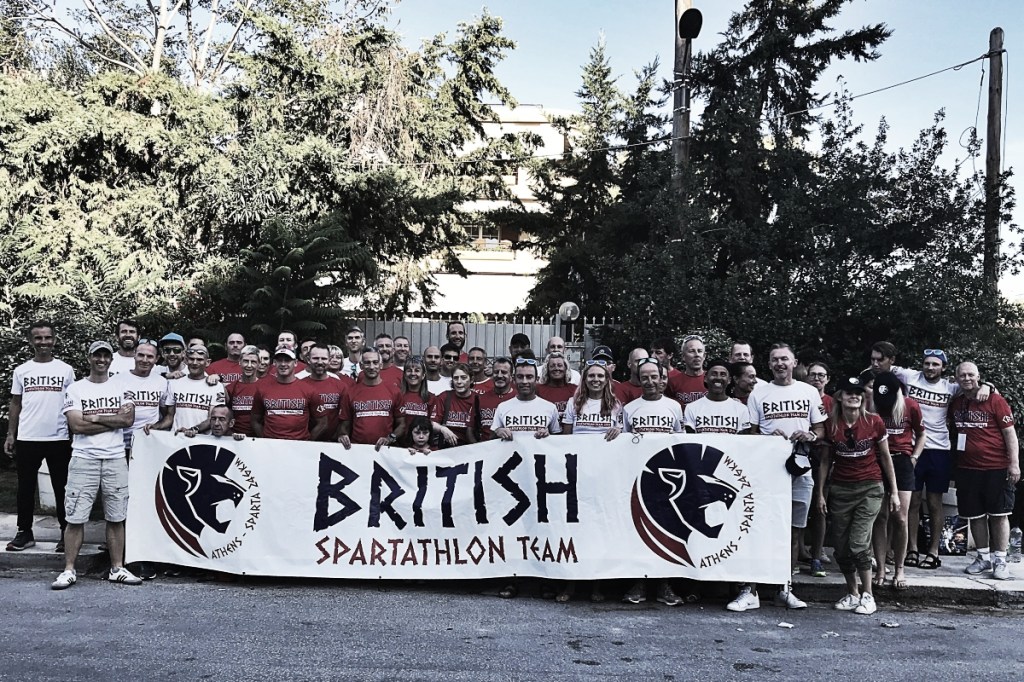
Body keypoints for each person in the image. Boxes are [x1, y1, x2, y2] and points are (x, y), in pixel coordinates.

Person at [733, 343, 825, 612]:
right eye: (775, 360)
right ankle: (750, 591)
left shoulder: (808, 391)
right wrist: (766, 438)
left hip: (800, 468)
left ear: (794, 362)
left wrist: (810, 435)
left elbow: (821, 429)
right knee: (757, 529)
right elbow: (750, 434)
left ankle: (785, 588)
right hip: (766, 472)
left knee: (794, 531)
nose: (780, 364)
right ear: (769, 364)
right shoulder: (759, 393)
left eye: (784, 359)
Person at [51, 340, 140, 589]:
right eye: (96, 356)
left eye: (105, 356)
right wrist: (113, 420)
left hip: (115, 457)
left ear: (111, 359)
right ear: (89, 358)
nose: (101, 360)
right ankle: (69, 570)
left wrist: (97, 417)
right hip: (84, 458)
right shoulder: (76, 389)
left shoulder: (122, 386)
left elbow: (128, 420)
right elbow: (76, 425)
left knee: (117, 516)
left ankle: (117, 568)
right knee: (75, 516)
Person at [893, 349, 986, 570]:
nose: (930, 367)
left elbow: (974, 386)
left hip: (939, 450)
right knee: (913, 501)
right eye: (927, 363)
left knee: (935, 503)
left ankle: (933, 551)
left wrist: (987, 386)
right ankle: (912, 549)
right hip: (913, 448)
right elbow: (880, 368)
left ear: (943, 368)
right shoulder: (909, 376)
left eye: (935, 364)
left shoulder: (950, 387)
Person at [817, 377, 900, 616]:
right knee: (841, 546)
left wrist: (894, 492)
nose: (854, 396)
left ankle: (868, 595)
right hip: (841, 489)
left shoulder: (874, 421)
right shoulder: (831, 424)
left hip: (870, 487)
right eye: (849, 392)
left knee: (858, 542)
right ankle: (852, 593)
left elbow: (886, 457)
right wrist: (820, 493)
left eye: (858, 392)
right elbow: (825, 461)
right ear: (840, 397)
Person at [490, 356, 561, 601]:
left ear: (537, 379)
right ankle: (511, 578)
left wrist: (548, 435)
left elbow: (559, 443)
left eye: (529, 377)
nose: (524, 381)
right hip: (512, 479)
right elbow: (491, 442)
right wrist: (499, 432)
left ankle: (544, 580)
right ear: (513, 379)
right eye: (520, 377)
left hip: (540, 478)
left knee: (540, 527)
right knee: (512, 528)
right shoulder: (504, 407)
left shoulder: (549, 408)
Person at [5, 320, 76, 552]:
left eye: (47, 337)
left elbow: (73, 403)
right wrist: (11, 434)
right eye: (38, 338)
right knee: (25, 487)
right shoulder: (22, 370)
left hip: (58, 438)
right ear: (31, 341)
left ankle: (66, 533)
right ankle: (24, 532)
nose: (43, 342)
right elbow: (16, 403)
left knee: (62, 487)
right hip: (28, 437)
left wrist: (74, 432)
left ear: (54, 340)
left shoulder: (65, 370)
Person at [948, 362, 1020, 581]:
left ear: (978, 376)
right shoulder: (957, 403)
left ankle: (1000, 561)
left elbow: (1009, 433)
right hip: (967, 468)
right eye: (962, 375)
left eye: (971, 374)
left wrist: (1014, 463)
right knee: (975, 515)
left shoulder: (995, 400)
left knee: (999, 515)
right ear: (956, 378)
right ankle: (983, 558)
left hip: (996, 467)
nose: (967, 378)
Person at [621, 358, 684, 607]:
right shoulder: (630, 409)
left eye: (653, 377)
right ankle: (639, 582)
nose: (649, 381)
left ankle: (663, 584)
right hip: (639, 478)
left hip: (668, 480)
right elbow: (624, 444)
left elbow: (680, 442)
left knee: (666, 533)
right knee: (639, 532)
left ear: (661, 378)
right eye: (644, 377)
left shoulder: (674, 407)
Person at [870, 371, 925, 591]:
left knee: (900, 517)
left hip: (902, 461)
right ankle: (881, 567)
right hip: (876, 460)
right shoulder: (872, 405)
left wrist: (914, 457)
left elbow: (922, 433)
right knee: (880, 517)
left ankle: (900, 568)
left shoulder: (910, 405)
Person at [250, 347, 326, 441]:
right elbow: (254, 420)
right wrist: (265, 439)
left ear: (295, 363)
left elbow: (323, 422)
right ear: (274, 363)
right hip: (270, 445)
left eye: (287, 360)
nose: (283, 364)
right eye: (279, 360)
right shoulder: (262, 389)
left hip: (299, 444)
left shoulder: (309, 390)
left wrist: (308, 442)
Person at [338, 349, 405, 450]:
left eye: (375, 362)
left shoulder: (394, 391)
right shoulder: (350, 392)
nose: (372, 367)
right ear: (361, 366)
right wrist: (343, 435)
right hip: (357, 450)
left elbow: (402, 424)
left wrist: (390, 438)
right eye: (367, 363)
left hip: (385, 451)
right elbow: (344, 425)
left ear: (381, 365)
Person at [803, 361, 834, 575]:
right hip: (800, 455)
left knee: (820, 508)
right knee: (798, 508)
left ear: (827, 379)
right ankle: (799, 551)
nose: (816, 378)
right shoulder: (799, 395)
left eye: (821, 375)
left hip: (824, 457)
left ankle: (817, 553)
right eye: (812, 374)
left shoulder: (832, 402)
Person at [120, 340, 171, 459]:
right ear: (134, 354)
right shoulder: (118, 380)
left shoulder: (162, 382)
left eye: (150, 356)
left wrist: (156, 426)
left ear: (157, 359)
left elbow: (168, 416)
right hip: (120, 445)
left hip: (147, 444)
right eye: (141, 355)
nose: (144, 360)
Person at [161, 345, 226, 434]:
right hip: (177, 437)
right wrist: (155, 426)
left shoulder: (216, 386)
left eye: (199, 359)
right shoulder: (174, 383)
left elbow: (213, 418)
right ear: (186, 360)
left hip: (202, 438)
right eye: (191, 359)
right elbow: (169, 417)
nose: (195, 363)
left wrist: (192, 430)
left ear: (207, 362)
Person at [683, 358, 750, 434]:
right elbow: (689, 439)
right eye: (714, 374)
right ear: (705, 378)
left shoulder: (741, 409)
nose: (718, 378)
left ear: (729, 380)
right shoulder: (692, 408)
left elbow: (744, 439)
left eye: (723, 374)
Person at [301, 344, 348, 442]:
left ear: (329, 360)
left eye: (324, 358)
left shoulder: (341, 386)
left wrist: (341, 434)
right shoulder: (300, 385)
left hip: (333, 442)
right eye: (315, 358)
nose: (320, 362)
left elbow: (345, 417)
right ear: (308, 360)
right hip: (306, 441)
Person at [435, 363, 479, 446]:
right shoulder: (445, 397)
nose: (459, 382)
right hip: (447, 446)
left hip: (471, 446)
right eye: (455, 378)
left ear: (471, 379)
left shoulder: (478, 399)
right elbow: (432, 423)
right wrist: (443, 429)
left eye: (463, 378)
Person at [225, 345, 262, 437]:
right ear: (240, 362)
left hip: (258, 438)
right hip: (234, 437)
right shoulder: (230, 388)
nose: (249, 365)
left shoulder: (264, 387)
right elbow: (225, 416)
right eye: (246, 361)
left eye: (253, 362)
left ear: (258, 364)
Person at [477, 357, 517, 441]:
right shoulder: (481, 398)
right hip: (485, 447)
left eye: (504, 372)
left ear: (511, 376)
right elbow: (472, 430)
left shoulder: (518, 398)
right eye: (496, 372)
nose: (499, 375)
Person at [666, 334, 707, 410]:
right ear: (683, 356)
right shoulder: (672, 382)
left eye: (700, 351)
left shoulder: (712, 379)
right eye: (692, 351)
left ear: (704, 356)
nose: (697, 355)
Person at [537, 353, 576, 427]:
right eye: (552, 366)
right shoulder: (538, 389)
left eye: (560, 365)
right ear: (547, 369)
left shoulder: (575, 389)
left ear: (565, 368)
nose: (556, 368)